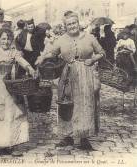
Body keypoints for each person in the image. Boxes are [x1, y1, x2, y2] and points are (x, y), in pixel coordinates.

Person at [36, 11, 105, 150]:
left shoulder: (90, 37)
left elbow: (102, 53)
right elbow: (52, 53)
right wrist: (42, 57)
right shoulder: (61, 39)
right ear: (65, 26)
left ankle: (84, 137)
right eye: (69, 24)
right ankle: (67, 136)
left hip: (86, 74)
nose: (72, 26)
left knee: (85, 104)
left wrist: (92, 59)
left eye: (74, 23)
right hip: (66, 75)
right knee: (66, 104)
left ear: (78, 23)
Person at [0, 28, 36, 156]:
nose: (5, 42)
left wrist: (30, 68)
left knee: (13, 115)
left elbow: (21, 61)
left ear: (11, 39)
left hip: (12, 87)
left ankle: (13, 144)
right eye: (3, 39)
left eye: (8, 39)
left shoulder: (14, 52)